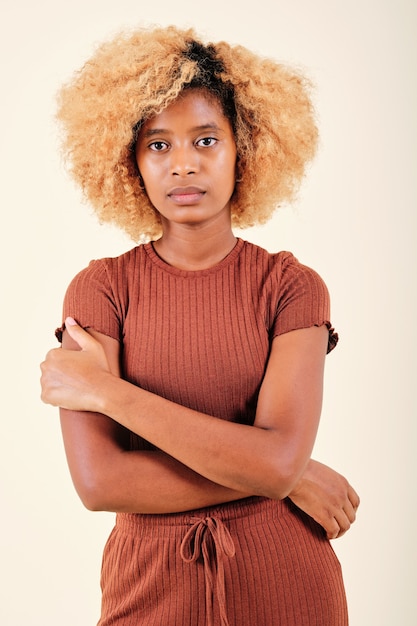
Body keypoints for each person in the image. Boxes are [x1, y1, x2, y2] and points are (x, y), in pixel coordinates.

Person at [40, 25, 359, 626]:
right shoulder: (102, 289)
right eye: (158, 145)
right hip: (148, 585)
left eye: (205, 140)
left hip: (286, 580)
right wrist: (280, 476)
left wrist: (107, 392)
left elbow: (279, 462)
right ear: (129, 161)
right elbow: (99, 482)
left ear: (246, 150)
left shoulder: (292, 287)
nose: (182, 164)